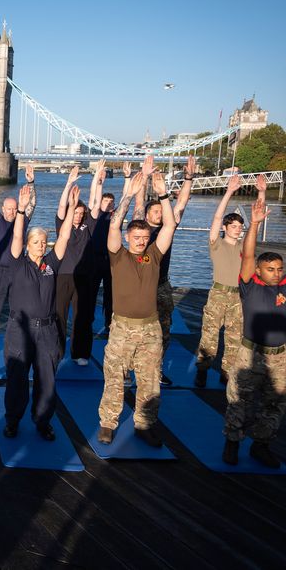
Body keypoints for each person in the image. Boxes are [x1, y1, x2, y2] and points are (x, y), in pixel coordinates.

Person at [221, 195, 286, 468]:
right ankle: (232, 442)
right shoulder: (249, 286)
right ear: (258, 271)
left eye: (279, 269)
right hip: (250, 353)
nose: (276, 273)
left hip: (280, 356)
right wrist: (253, 224)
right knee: (240, 399)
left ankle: (261, 445)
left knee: (275, 402)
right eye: (270, 269)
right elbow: (249, 254)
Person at [97, 167, 177, 447]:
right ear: (129, 237)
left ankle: (144, 425)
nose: (142, 241)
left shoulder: (154, 255)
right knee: (114, 378)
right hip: (121, 328)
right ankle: (108, 423)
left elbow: (168, 226)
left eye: (145, 237)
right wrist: (128, 196)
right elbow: (113, 226)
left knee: (150, 380)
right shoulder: (117, 256)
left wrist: (164, 194)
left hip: (149, 330)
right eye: (137, 237)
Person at [2, 184, 76, 439]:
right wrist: (21, 210)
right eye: (36, 242)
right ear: (29, 245)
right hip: (19, 331)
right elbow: (17, 238)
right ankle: (12, 421)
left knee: (47, 381)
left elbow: (64, 238)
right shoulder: (17, 263)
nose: (41, 245)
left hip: (47, 331)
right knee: (17, 380)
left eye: (43, 242)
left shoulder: (51, 265)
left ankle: (42, 421)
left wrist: (71, 210)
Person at [136, 155, 195, 386]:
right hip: (139, 287)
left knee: (163, 331)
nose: (158, 214)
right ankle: (131, 370)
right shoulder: (140, 227)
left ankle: (156, 371)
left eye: (161, 212)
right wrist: (145, 174)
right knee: (135, 332)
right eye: (155, 212)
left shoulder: (166, 230)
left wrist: (189, 178)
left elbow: (180, 203)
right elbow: (139, 202)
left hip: (160, 286)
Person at [194, 174, 251, 387]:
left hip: (238, 295)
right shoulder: (216, 244)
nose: (238, 229)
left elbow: (254, 231)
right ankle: (203, 369)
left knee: (234, 337)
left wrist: (261, 194)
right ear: (226, 228)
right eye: (234, 226)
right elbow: (217, 219)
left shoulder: (243, 247)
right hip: (218, 293)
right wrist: (229, 191)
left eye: (240, 226)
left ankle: (227, 373)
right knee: (209, 336)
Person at [0, 161, 36, 355]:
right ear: (3, 209)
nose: (12, 212)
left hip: (19, 270)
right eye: (9, 209)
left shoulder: (23, 219)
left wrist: (31, 183)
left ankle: (21, 343)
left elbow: (32, 204)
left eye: (14, 209)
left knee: (20, 309)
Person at [53, 165, 98, 366]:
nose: (78, 216)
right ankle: (57, 350)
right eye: (76, 212)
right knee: (59, 315)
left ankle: (80, 353)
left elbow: (95, 205)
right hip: (63, 275)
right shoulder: (63, 226)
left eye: (81, 213)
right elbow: (62, 208)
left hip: (83, 277)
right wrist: (69, 183)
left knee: (82, 316)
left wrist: (97, 178)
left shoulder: (88, 227)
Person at [89, 162, 120, 332]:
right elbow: (94, 195)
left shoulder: (116, 217)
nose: (108, 204)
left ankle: (109, 325)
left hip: (111, 260)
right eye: (105, 201)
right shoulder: (95, 213)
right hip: (95, 259)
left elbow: (127, 199)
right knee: (91, 293)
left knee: (111, 295)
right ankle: (89, 322)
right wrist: (98, 177)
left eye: (111, 202)